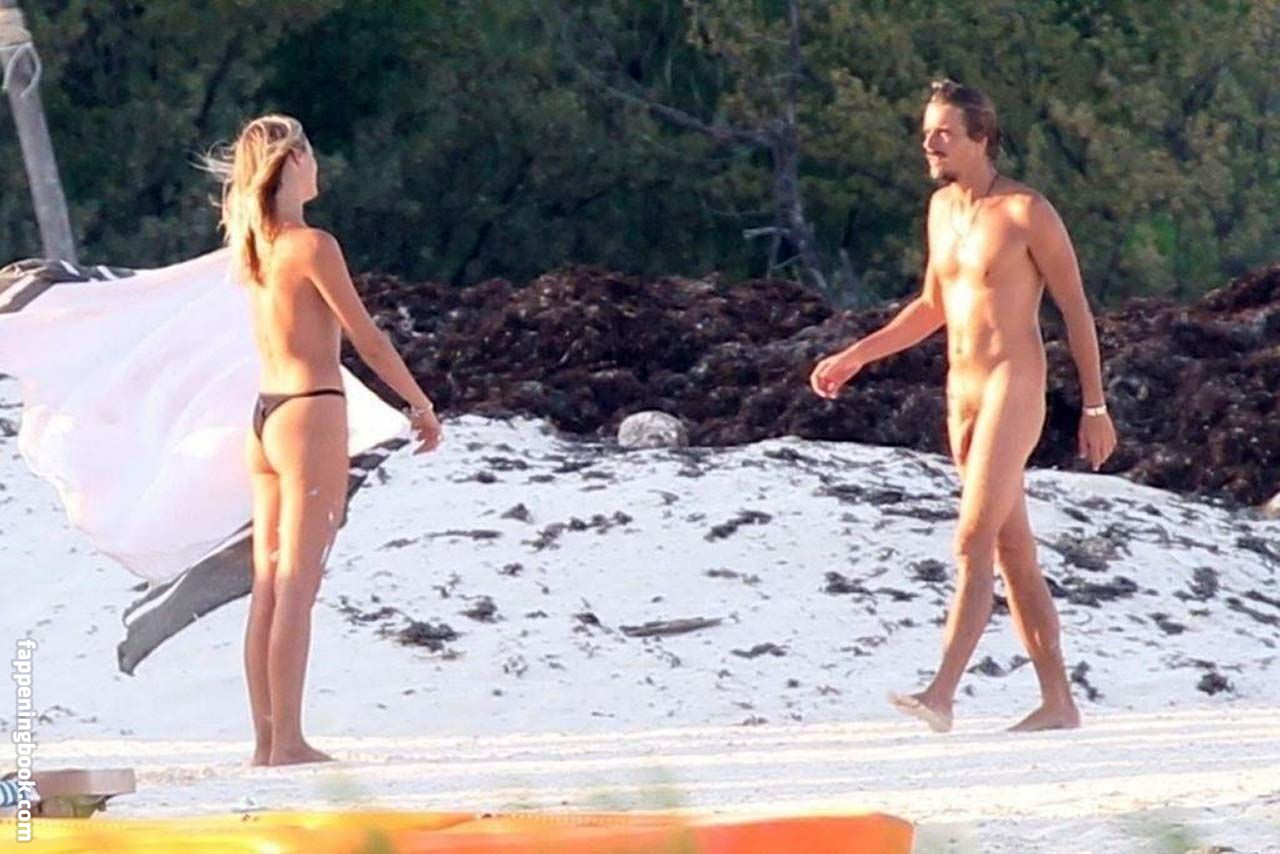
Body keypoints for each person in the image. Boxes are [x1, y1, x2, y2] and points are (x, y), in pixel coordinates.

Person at [810, 80, 1117, 733]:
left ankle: (942, 693)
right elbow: (931, 307)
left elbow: (1076, 311)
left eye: (944, 133)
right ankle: (1058, 703)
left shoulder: (1027, 212)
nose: (930, 144)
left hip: (1014, 383)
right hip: (963, 392)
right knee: (1013, 552)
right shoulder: (941, 210)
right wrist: (855, 356)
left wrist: (1095, 407)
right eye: (927, 133)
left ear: (981, 138)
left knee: (972, 539)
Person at [213, 115, 443, 765]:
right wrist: (418, 403)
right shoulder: (312, 245)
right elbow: (368, 339)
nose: (317, 165)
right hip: (310, 413)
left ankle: (267, 741)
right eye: (309, 154)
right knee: (297, 584)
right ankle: (288, 741)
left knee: (269, 583)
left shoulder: (254, 249)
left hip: (264, 417)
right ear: (290, 163)